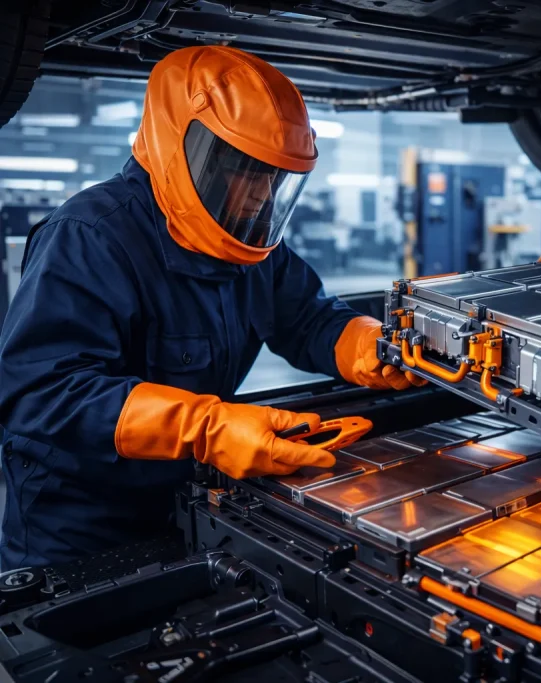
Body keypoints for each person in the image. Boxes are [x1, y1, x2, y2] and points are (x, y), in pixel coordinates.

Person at [0, 46, 423, 569]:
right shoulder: (89, 237)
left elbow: (308, 318)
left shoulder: (241, 239)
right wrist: (206, 428)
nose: (261, 195)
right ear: (185, 149)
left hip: (186, 504)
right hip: (79, 528)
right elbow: (41, 392)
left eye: (274, 176)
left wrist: (370, 346)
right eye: (245, 169)